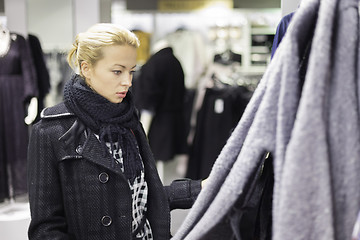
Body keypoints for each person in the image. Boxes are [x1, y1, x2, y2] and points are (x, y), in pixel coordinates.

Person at [27, 23, 203, 240]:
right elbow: (45, 230)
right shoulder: (52, 131)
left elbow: (139, 198)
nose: (128, 82)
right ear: (86, 68)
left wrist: (200, 188)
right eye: (117, 71)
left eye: (131, 71)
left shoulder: (128, 120)